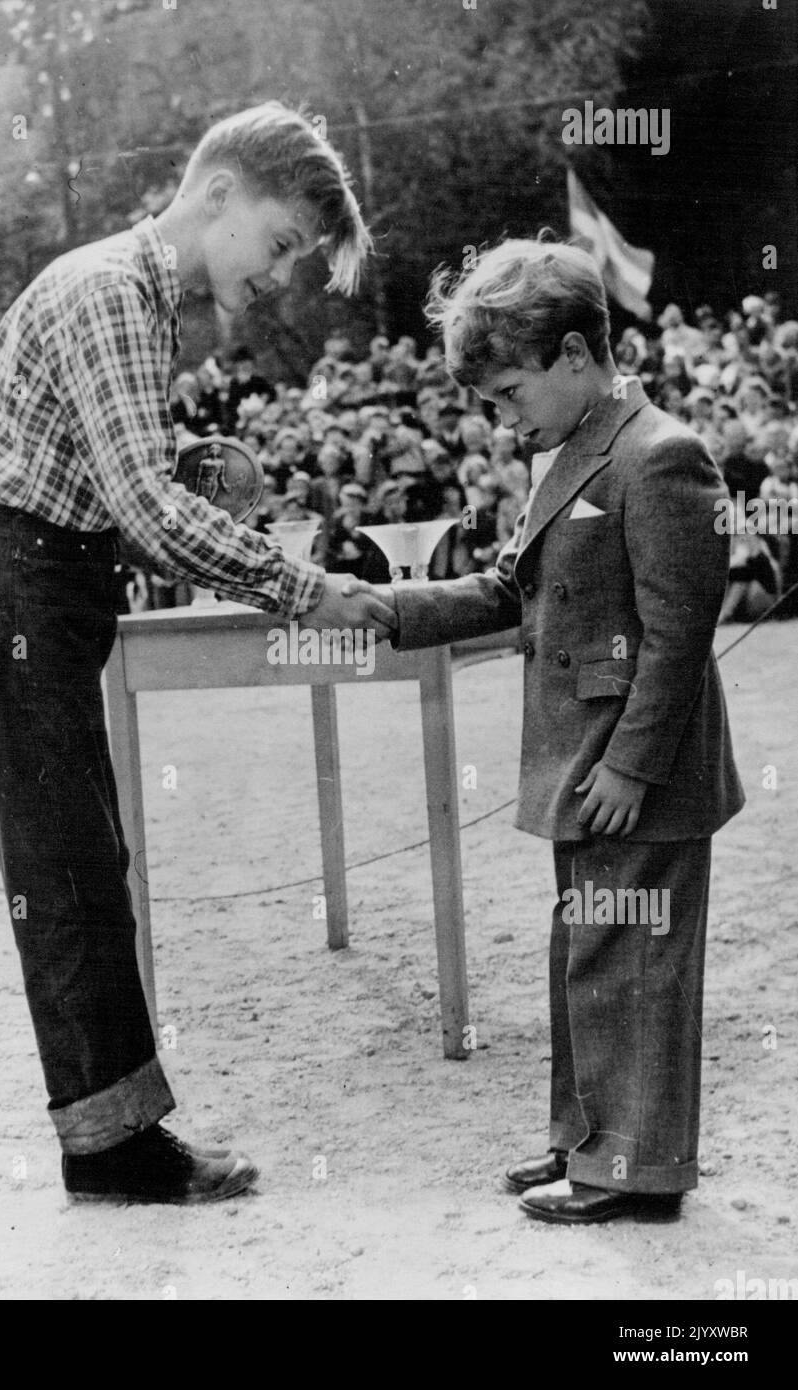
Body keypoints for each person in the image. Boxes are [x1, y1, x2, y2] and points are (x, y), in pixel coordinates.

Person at [0, 102, 395, 1207]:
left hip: (23, 580)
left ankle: (112, 1135)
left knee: (78, 867)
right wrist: (301, 584)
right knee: (68, 877)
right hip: (10, 584)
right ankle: (112, 1150)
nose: (278, 280)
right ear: (216, 193)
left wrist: (183, 462)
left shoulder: (124, 294)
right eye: (277, 246)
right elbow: (143, 511)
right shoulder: (111, 292)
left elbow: (101, 473)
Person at [347, 238, 744, 1224]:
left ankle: (631, 1169)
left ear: (575, 355)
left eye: (510, 391)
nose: (500, 416)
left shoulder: (658, 456)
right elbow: (506, 591)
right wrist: (383, 605)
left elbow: (678, 633)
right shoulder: (572, 448)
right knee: (592, 949)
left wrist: (629, 764)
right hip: (586, 764)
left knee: (630, 956)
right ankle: (585, 1137)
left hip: (631, 771)